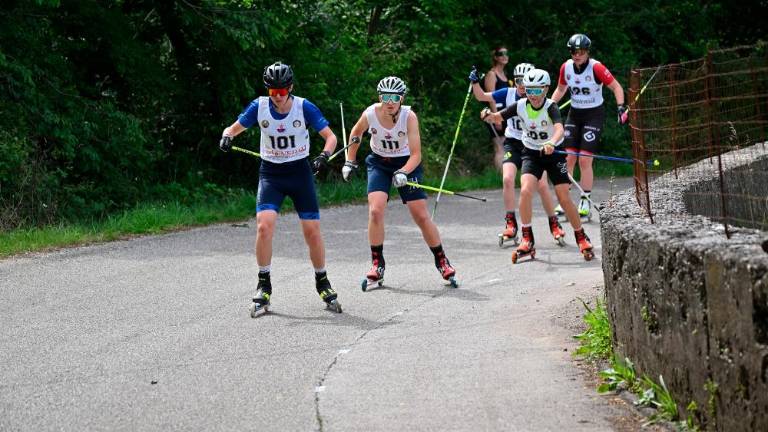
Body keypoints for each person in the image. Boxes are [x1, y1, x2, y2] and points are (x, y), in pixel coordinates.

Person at [218, 61, 342, 315]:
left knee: (312, 231)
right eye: (272, 92)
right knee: (264, 226)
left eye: (281, 92)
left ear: (291, 88)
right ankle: (264, 284)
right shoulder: (260, 106)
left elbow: (331, 137)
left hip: (299, 173)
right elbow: (233, 128)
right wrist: (227, 136)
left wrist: (323, 156)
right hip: (271, 174)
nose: (277, 98)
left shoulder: (303, 106)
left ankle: (322, 282)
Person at [341, 76, 458, 288]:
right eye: (385, 97)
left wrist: (403, 171)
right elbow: (356, 133)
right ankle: (377, 264)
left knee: (420, 214)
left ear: (401, 98)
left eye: (394, 97)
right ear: (380, 97)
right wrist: (350, 161)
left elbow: (416, 155)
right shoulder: (370, 114)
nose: (390, 102)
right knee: (375, 211)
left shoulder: (409, 117)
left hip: (406, 164)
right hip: (379, 163)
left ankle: (442, 260)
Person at [482, 69, 595, 262]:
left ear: (546, 89)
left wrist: (552, 142)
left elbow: (559, 128)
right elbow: (498, 117)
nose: (533, 96)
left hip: (553, 154)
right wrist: (488, 115)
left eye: (537, 91)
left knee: (563, 197)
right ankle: (527, 238)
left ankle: (580, 236)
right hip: (531, 154)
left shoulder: (550, 107)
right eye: (529, 90)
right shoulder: (519, 105)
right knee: (525, 190)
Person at [469, 64, 566, 246]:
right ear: (515, 81)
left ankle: (554, 222)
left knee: (543, 185)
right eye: (519, 81)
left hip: (535, 145)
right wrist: (475, 82)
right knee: (507, 179)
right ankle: (511, 223)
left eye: (526, 81)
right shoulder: (508, 94)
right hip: (513, 142)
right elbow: (481, 97)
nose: (523, 85)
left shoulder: (537, 100)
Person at [550, 33, 627, 219]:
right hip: (574, 115)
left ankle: (585, 200)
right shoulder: (566, 67)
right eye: (574, 51)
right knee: (568, 158)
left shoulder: (596, 67)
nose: (578, 55)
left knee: (584, 159)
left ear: (587, 51)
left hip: (594, 115)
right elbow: (561, 89)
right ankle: (564, 201)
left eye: (582, 51)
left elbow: (617, 87)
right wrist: (549, 106)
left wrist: (620, 107)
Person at [483, 46, 514, 169]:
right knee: (499, 145)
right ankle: (501, 177)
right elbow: (491, 98)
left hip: (506, 114)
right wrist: (496, 118)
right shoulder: (491, 74)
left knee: (508, 145)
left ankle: (508, 174)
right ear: (496, 57)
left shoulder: (505, 75)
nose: (504, 56)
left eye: (506, 53)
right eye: (501, 54)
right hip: (496, 114)